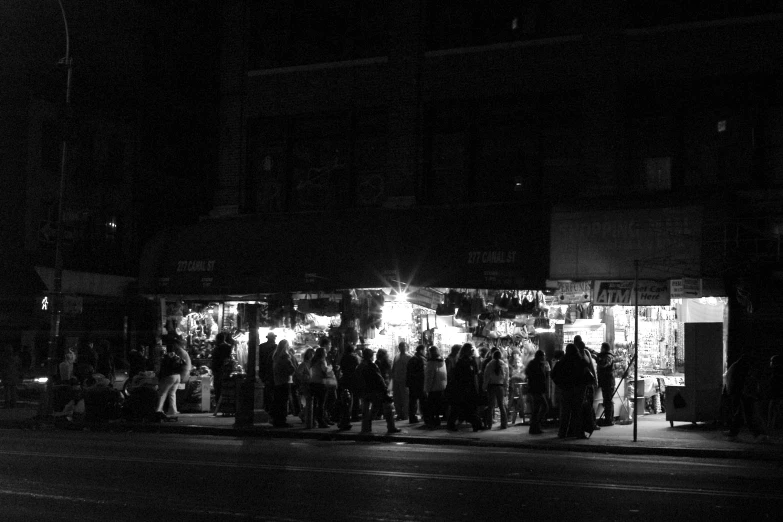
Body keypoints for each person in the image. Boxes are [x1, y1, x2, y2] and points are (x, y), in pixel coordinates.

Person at [356, 348, 401, 435]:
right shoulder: (372, 366)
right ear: (370, 356)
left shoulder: (360, 366)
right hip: (374, 391)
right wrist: (384, 389)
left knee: (367, 410)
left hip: (365, 391)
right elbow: (379, 379)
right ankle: (391, 427)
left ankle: (366, 428)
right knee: (387, 406)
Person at [550, 343, 590, 439]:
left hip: (566, 390)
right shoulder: (579, 361)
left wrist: (560, 384)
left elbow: (553, 375)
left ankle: (563, 432)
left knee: (565, 413)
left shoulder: (562, 362)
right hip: (578, 390)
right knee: (577, 412)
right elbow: (586, 369)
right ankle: (578, 432)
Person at [725, 353, 765, 442]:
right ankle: (757, 435)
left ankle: (733, 434)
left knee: (741, 415)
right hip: (741, 394)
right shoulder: (742, 367)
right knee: (746, 415)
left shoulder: (735, 366)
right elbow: (744, 382)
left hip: (736, 394)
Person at [446, 343, 484, 432]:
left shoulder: (472, 361)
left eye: (472, 350)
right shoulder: (461, 362)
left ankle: (476, 424)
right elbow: (459, 376)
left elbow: (475, 375)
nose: (472, 351)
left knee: (468, 408)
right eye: (470, 350)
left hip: (470, 388)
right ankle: (475, 424)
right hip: (462, 388)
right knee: (461, 408)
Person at [156, 335, 188, 417]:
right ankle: (173, 410)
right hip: (177, 376)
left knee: (162, 393)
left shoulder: (166, 357)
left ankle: (158, 410)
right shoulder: (177, 356)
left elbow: (163, 368)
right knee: (172, 393)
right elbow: (183, 364)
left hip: (170, 376)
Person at [271, 339, 297, 427]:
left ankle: (277, 420)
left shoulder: (275, 356)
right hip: (285, 381)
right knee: (283, 401)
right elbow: (292, 369)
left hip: (277, 381)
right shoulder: (285, 357)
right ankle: (282, 421)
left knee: (278, 401)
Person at [524, 350, 550, 434]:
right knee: (541, 407)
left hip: (537, 389)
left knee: (538, 408)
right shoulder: (536, 364)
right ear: (540, 356)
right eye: (543, 355)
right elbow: (538, 377)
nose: (544, 357)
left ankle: (535, 426)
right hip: (536, 389)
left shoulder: (536, 364)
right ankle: (535, 426)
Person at [483, 349, 509, 430]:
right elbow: (506, 379)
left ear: (493, 356)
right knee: (502, 405)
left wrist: (484, 387)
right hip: (500, 386)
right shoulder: (504, 365)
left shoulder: (489, 364)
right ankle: (504, 424)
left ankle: (489, 424)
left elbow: (486, 377)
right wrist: (506, 388)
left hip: (491, 386)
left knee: (491, 406)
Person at [309, 346, 334, 428]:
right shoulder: (322, 361)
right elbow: (325, 370)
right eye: (325, 352)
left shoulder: (313, 361)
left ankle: (314, 420)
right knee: (321, 403)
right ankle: (321, 421)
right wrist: (331, 367)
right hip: (321, 383)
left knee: (316, 403)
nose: (326, 353)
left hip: (313, 382)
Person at [424, 345, 447, 428]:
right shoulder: (442, 362)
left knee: (431, 405)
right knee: (438, 405)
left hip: (433, 388)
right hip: (441, 387)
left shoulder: (431, 363)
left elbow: (429, 377)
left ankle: (432, 420)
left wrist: (427, 388)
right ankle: (437, 419)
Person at [338, 343, 361, 423]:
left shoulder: (343, 357)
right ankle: (355, 415)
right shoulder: (354, 357)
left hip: (345, 378)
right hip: (353, 378)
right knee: (355, 397)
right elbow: (358, 366)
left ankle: (346, 414)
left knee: (347, 397)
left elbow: (341, 367)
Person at [595, 342, 615, 426]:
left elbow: (604, 364)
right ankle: (608, 418)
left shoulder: (608, 357)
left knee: (608, 401)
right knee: (607, 400)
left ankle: (608, 419)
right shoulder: (605, 355)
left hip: (608, 382)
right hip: (606, 381)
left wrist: (597, 359)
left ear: (604, 348)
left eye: (601, 347)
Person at [406, 344, 427, 424]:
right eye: (424, 350)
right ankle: (424, 416)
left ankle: (412, 417)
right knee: (423, 400)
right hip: (419, 383)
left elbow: (408, 372)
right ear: (421, 350)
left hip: (412, 384)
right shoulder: (421, 359)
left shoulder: (412, 359)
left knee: (412, 401)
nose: (425, 352)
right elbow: (423, 372)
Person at [391, 342, 411, 421]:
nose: (402, 348)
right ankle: (399, 414)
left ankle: (405, 414)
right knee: (397, 398)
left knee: (405, 398)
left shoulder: (409, 357)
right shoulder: (396, 356)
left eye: (403, 346)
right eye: (400, 347)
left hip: (404, 380)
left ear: (406, 347)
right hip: (397, 380)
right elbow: (394, 368)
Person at [211, 332, 233, 406]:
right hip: (223, 370)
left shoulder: (219, 348)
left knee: (218, 387)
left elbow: (216, 360)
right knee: (222, 387)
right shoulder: (228, 347)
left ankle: (219, 404)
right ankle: (222, 404)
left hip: (219, 370)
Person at [258, 331, 277, 411]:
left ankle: (265, 405)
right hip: (271, 371)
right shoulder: (275, 347)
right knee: (272, 390)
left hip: (263, 370)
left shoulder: (261, 346)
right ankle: (270, 406)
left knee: (265, 389)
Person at [296, 348, 314, 428]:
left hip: (312, 384)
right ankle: (304, 415)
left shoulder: (312, 364)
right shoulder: (304, 364)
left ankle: (305, 415)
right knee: (308, 401)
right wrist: (306, 377)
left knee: (310, 401)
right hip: (306, 384)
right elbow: (298, 373)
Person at [0, 344, 22, 409]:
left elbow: (2, 366)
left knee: (7, 390)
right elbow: (19, 366)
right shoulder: (16, 358)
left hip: (7, 375)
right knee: (13, 390)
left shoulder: (4, 358)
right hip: (13, 375)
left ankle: (8, 403)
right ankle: (13, 403)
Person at [768, 355, 783, 430]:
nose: (770, 363)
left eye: (771, 361)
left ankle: (771, 426)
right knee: (776, 411)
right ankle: (773, 426)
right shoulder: (777, 371)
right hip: (776, 395)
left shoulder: (776, 371)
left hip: (776, 395)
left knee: (774, 410)